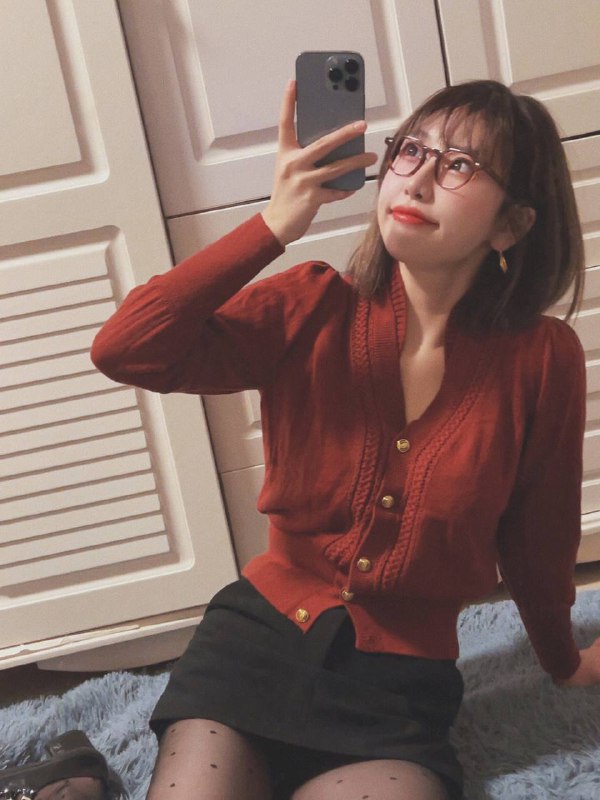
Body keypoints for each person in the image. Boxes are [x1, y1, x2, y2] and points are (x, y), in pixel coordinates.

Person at [90, 78, 600, 800]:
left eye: (459, 164)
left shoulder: (541, 360)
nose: (416, 178)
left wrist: (562, 660)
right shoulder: (311, 305)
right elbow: (126, 348)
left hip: (397, 692)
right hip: (254, 649)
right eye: (410, 150)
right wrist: (273, 224)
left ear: (511, 225)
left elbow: (539, 536)